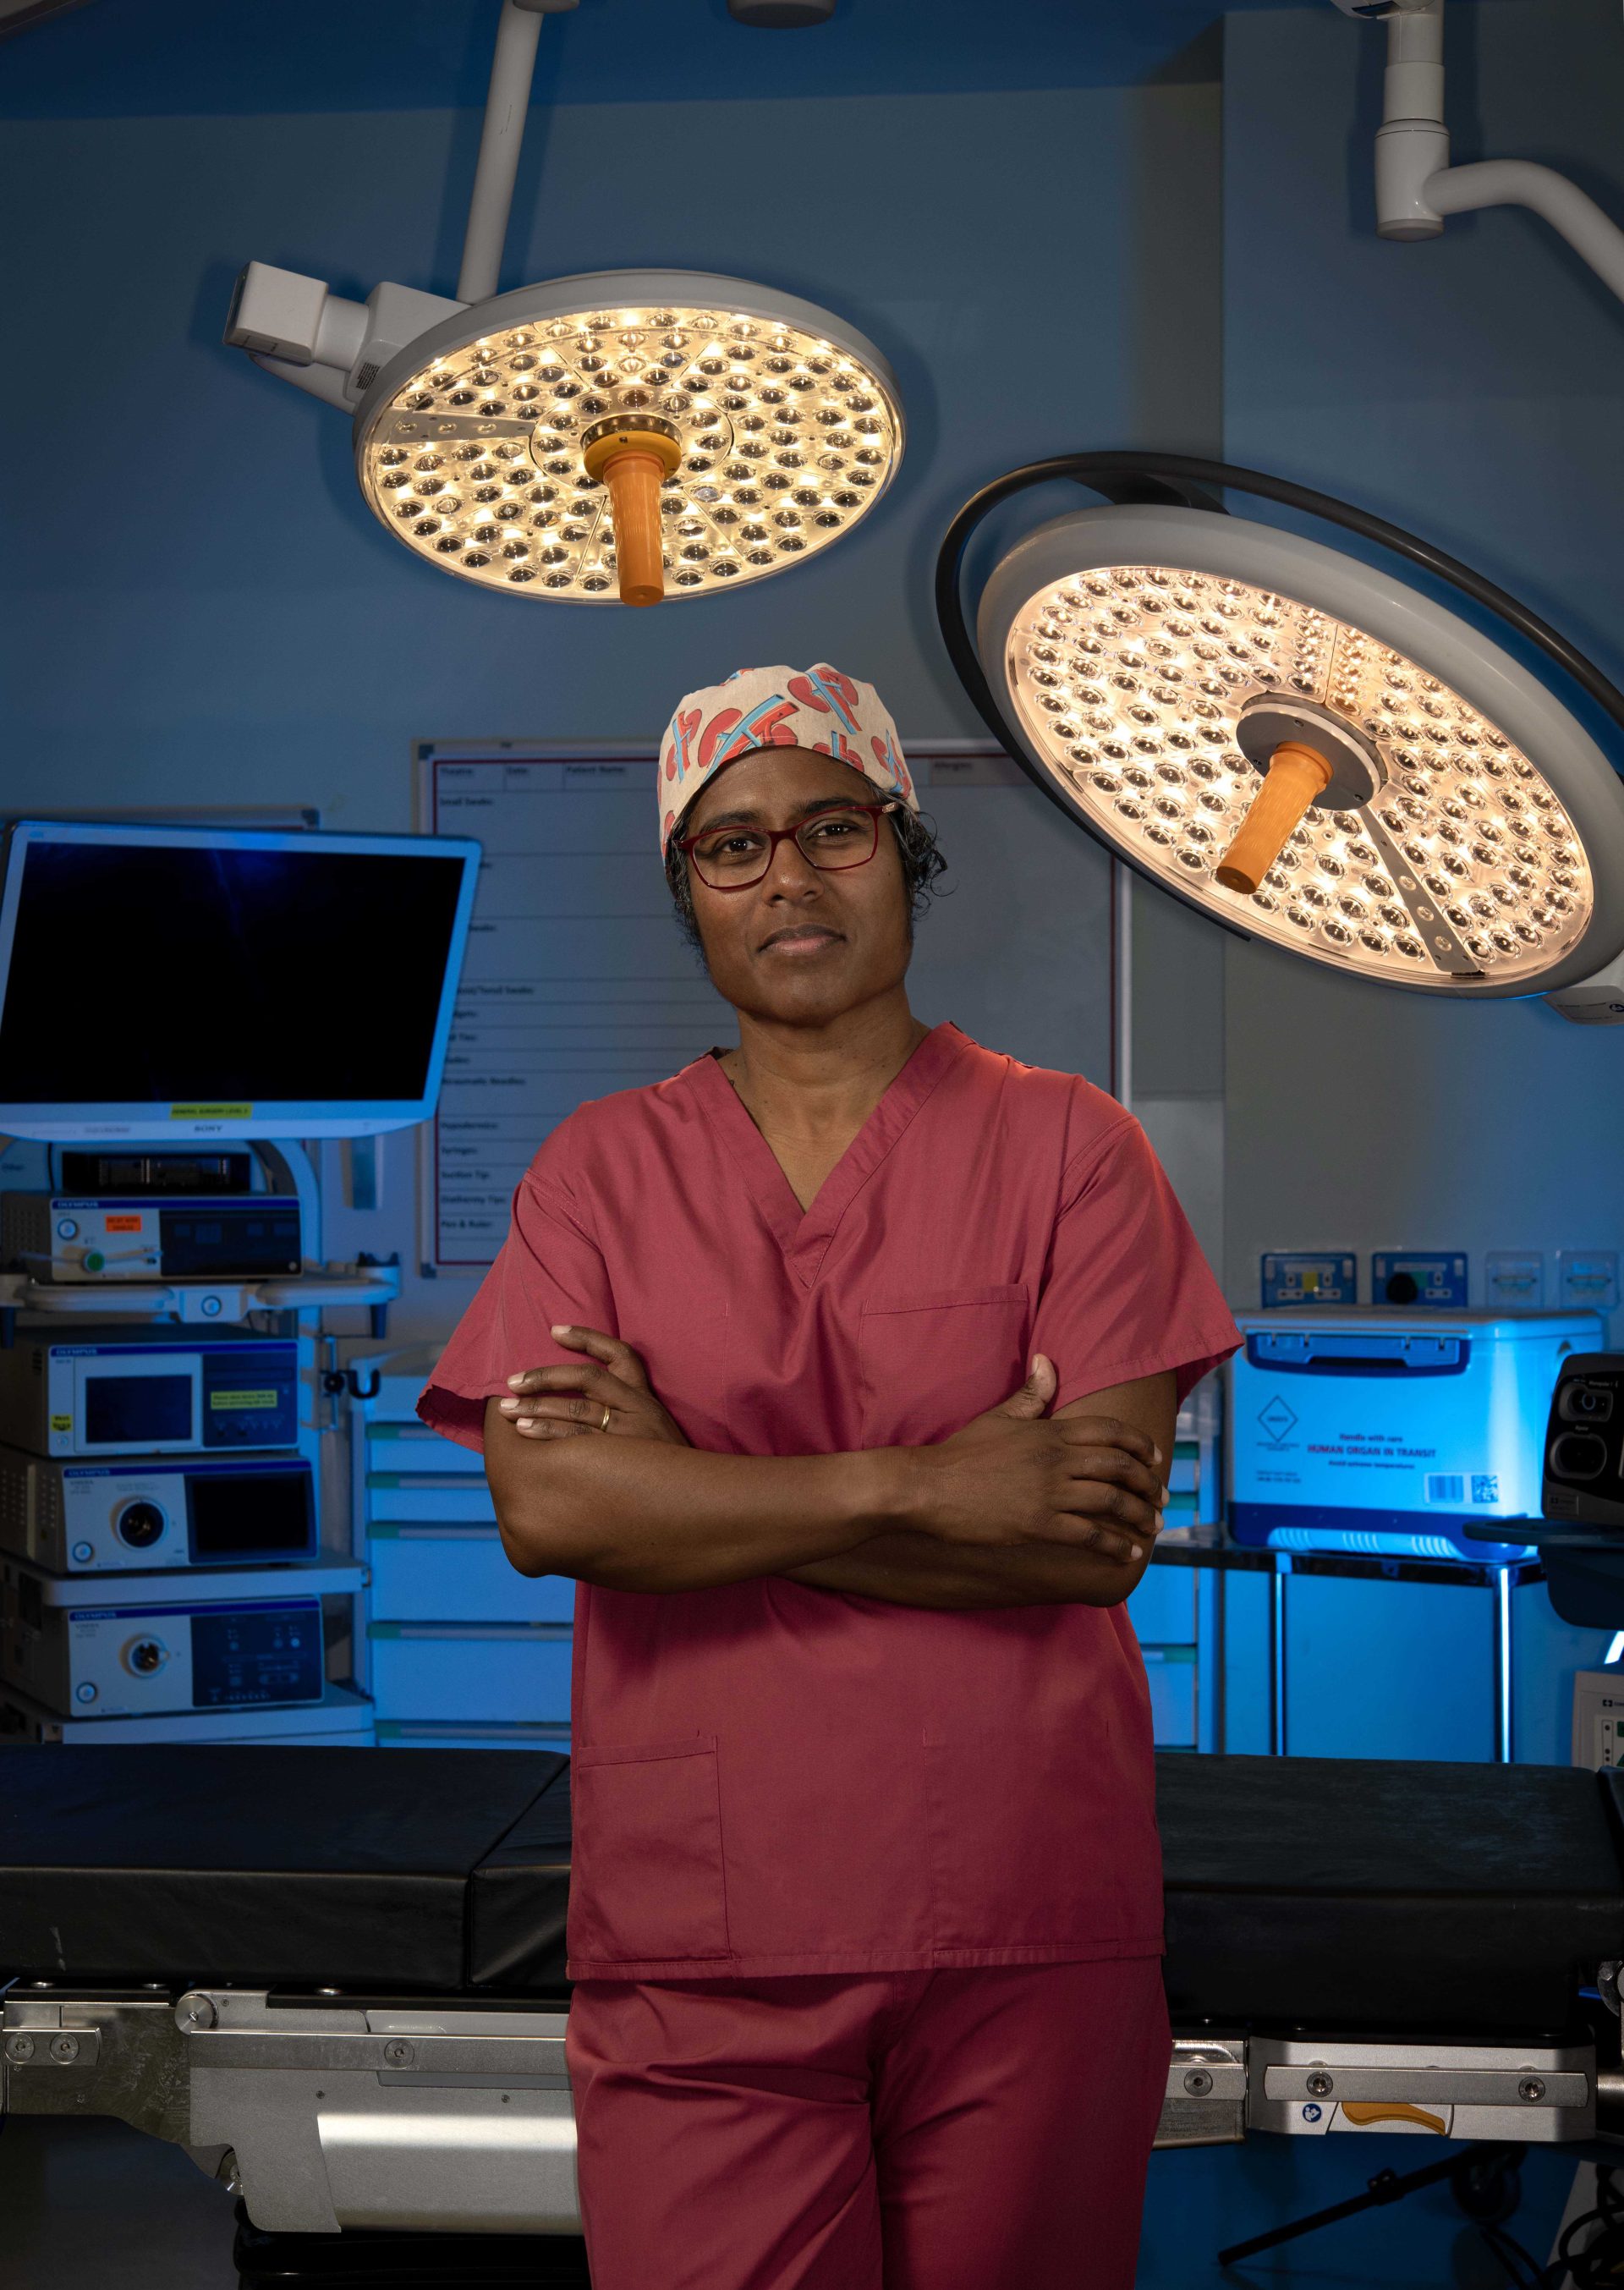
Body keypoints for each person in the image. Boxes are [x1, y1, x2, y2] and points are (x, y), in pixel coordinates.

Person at [419, 662, 1240, 2290]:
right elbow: (553, 1510)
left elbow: (1082, 1537)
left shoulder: (1074, 1150)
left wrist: (695, 1493)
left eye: (831, 829)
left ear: (903, 851)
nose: (786, 875)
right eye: (731, 848)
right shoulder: (602, 1170)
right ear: (690, 894)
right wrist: (926, 1487)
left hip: (1023, 1914)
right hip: (700, 1937)